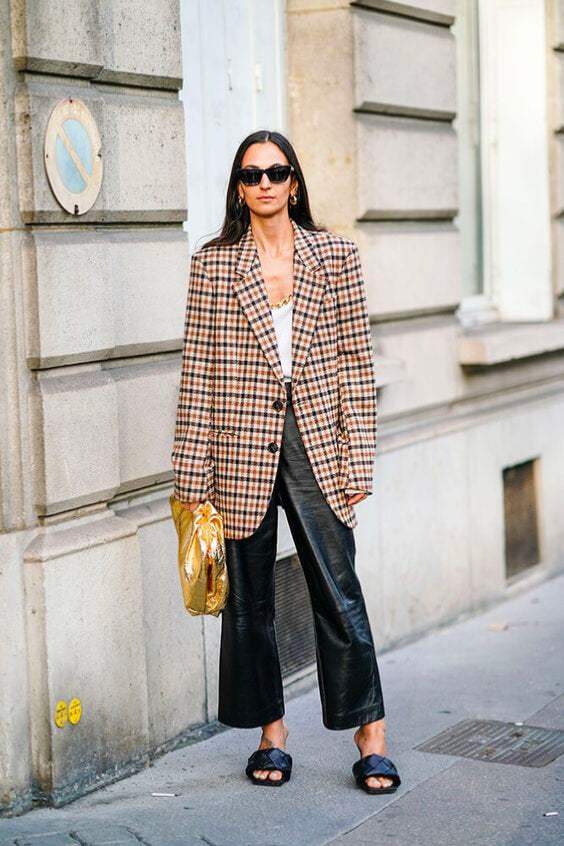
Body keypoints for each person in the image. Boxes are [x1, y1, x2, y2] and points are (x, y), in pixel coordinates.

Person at [171, 129, 401, 794]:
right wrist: (191, 479)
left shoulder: (336, 257)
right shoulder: (214, 265)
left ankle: (371, 734)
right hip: (237, 449)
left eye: (277, 172)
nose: (265, 183)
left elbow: (357, 364)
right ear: (239, 190)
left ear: (294, 182)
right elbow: (199, 375)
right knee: (249, 605)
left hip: (318, 446)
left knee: (339, 593)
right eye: (252, 175)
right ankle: (271, 733)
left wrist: (358, 462)